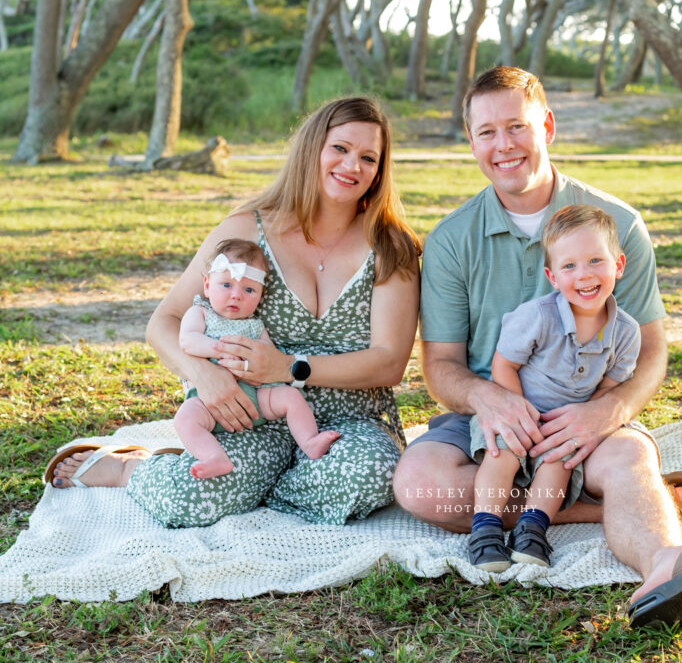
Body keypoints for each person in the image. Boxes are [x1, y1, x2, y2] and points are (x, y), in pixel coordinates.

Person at [394, 66, 682, 628]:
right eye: (486, 132)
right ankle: (617, 509)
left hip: (585, 404)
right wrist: (489, 400)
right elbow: (441, 366)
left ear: (546, 126)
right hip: (492, 416)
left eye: (516, 127)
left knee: (629, 456)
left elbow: (649, 352)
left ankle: (666, 565)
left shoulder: (618, 224)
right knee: (420, 488)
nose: (503, 146)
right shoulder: (452, 240)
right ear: (470, 141)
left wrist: (609, 410)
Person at [47, 96, 421, 529]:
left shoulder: (392, 247)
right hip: (252, 415)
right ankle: (131, 469)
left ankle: (253, 488)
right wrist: (205, 376)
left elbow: (390, 362)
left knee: (371, 474)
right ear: (312, 149)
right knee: (183, 500)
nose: (352, 165)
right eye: (339, 148)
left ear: (379, 171)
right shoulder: (247, 230)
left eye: (368, 157)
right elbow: (163, 322)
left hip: (347, 423)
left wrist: (288, 367)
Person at [468, 205, 640, 572]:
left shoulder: (625, 332)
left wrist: (581, 421)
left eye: (596, 260)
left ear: (618, 265)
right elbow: (504, 364)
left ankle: (533, 529)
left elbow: (610, 385)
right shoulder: (537, 316)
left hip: (567, 421)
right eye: (570, 266)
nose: (585, 275)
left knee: (560, 458)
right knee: (504, 453)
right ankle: (485, 528)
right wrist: (518, 413)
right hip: (516, 407)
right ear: (552, 276)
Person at [175, 238, 340, 478]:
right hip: (208, 401)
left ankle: (309, 442)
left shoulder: (255, 326)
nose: (236, 296)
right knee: (185, 419)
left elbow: (268, 354)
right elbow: (187, 340)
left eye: (249, 290)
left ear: (261, 295)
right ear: (207, 285)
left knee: (291, 397)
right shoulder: (200, 313)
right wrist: (217, 348)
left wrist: (258, 367)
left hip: (257, 397)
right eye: (226, 285)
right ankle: (214, 457)